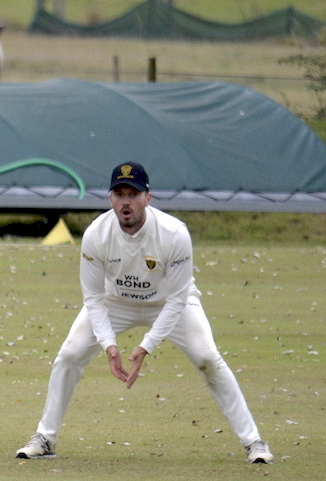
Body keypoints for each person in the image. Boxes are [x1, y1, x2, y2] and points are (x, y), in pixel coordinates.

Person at [15, 162, 274, 465]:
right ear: (110, 199)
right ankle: (45, 438)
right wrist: (109, 344)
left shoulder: (174, 233)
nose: (126, 202)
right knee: (70, 355)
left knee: (207, 357)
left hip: (168, 301)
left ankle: (253, 441)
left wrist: (145, 346)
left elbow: (178, 300)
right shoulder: (96, 234)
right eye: (119, 194)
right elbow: (94, 298)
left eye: (133, 194)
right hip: (115, 302)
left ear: (148, 199)